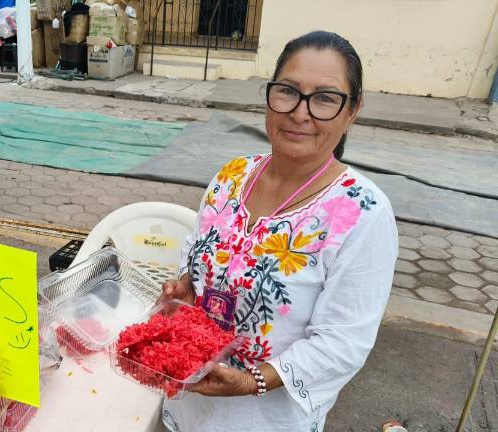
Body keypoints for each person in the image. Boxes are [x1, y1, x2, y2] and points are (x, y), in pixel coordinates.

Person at [159, 31, 398, 431]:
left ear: (352, 110)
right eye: (288, 91)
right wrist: (187, 286)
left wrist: (252, 380)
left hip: (264, 420)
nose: (300, 113)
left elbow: (343, 344)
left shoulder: (363, 212)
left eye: (325, 98)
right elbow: (196, 253)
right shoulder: (231, 176)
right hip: (187, 405)